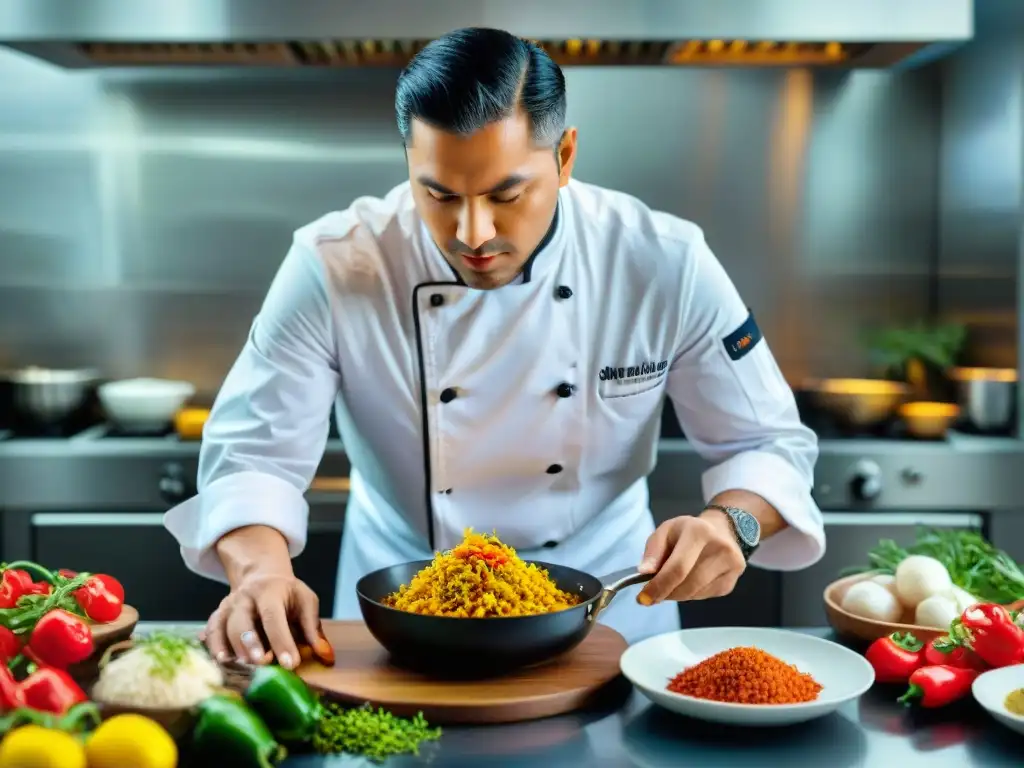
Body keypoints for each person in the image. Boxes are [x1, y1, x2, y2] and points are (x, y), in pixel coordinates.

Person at [163, 27, 825, 669]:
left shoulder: (661, 259)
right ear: (408, 164)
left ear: (565, 157)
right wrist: (259, 571)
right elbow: (254, 457)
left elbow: (765, 442)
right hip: (399, 619)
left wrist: (731, 523)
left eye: (507, 194)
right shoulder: (336, 264)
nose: (473, 232)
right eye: (439, 194)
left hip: (615, 607)